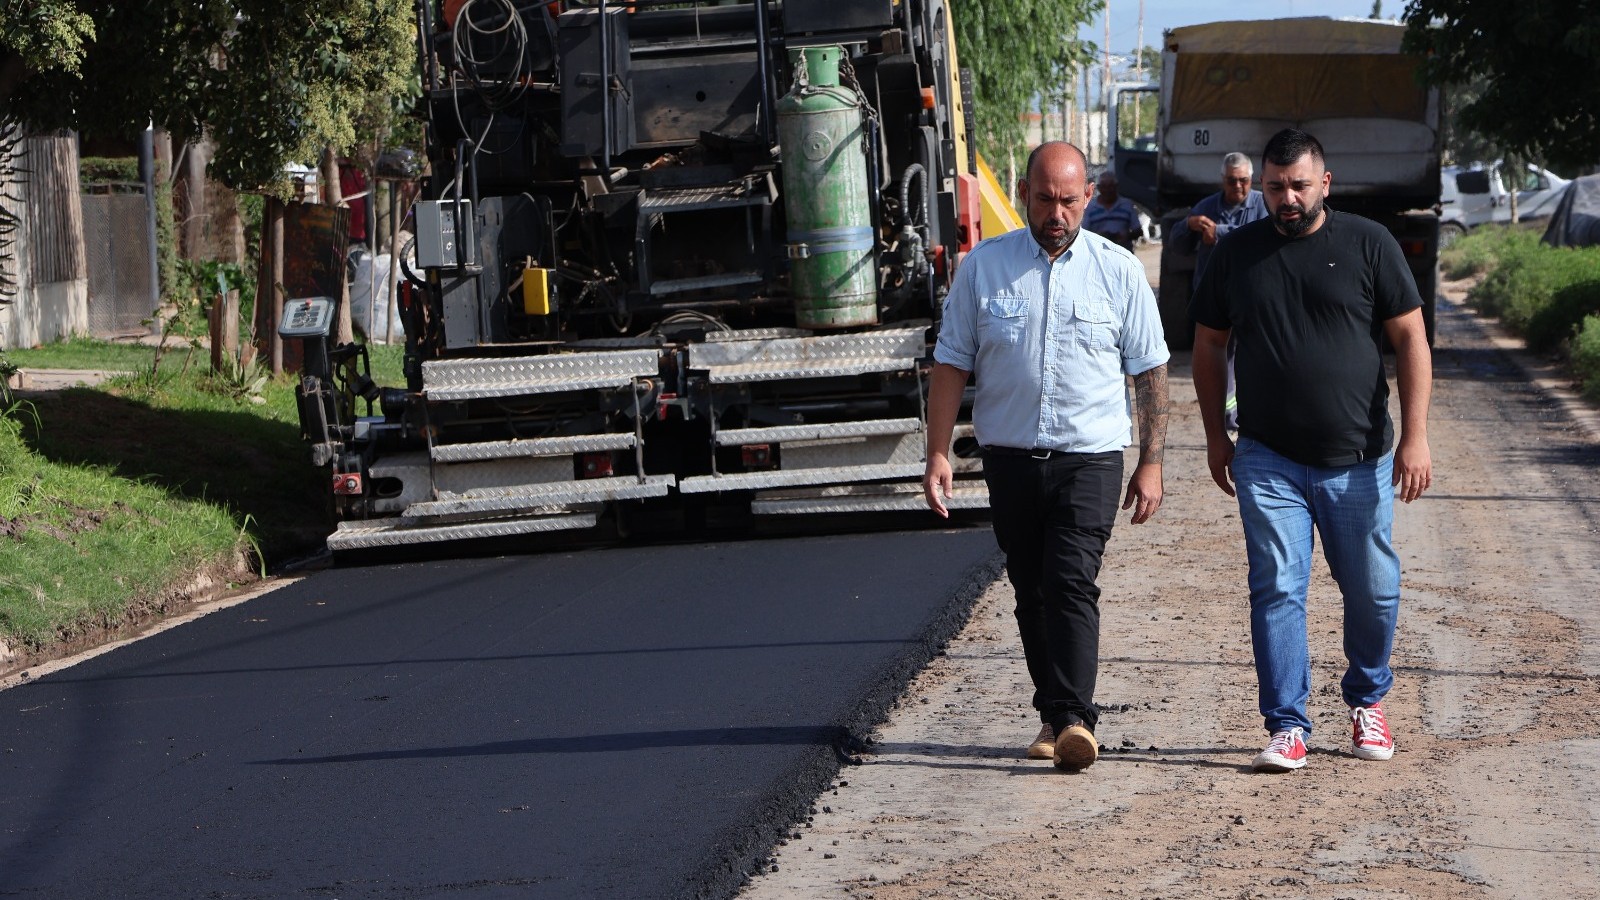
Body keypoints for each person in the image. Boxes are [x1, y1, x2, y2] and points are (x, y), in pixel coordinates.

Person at [1188, 128, 1433, 773]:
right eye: (1275, 187)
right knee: (1277, 587)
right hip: (1268, 457)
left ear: (1326, 183)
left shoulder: (1368, 244)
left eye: (1299, 185)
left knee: (1374, 588)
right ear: (1260, 187)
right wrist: (1217, 434)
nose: (1286, 198)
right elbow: (1209, 345)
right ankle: (1288, 724)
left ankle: (1367, 699)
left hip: (1360, 459)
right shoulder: (1236, 254)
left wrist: (1416, 436)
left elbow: (1410, 338)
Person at [924, 141, 1171, 771]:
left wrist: (1151, 461)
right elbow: (952, 363)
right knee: (1030, 589)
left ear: (1087, 196)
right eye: (1043, 199)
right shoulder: (984, 268)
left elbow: (1150, 372)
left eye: (1068, 200)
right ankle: (1054, 713)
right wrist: (938, 453)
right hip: (1009, 458)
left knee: (1069, 581)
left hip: (1089, 458)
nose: (1055, 213)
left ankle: (1076, 721)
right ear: (1024, 193)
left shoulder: (1118, 272)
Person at [1168, 152, 1268, 431]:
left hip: (1251, 297)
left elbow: (1262, 236)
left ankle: (1247, 415)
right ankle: (1225, 418)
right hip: (1215, 300)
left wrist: (1219, 231)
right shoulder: (1206, 206)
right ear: (1223, 180)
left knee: (1249, 355)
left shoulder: (1262, 205)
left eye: (1244, 181)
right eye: (1232, 181)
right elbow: (1178, 246)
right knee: (1216, 357)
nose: (1238, 187)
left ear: (1252, 180)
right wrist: (1188, 226)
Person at [1083, 170, 1143, 251]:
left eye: (1110, 186)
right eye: (1104, 187)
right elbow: (1084, 233)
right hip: (1098, 253)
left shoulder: (1127, 204)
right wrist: (1098, 236)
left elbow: (1138, 230)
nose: (1107, 190)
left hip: (1122, 251)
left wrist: (1126, 236)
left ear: (1116, 187)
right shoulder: (1091, 206)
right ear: (1099, 188)